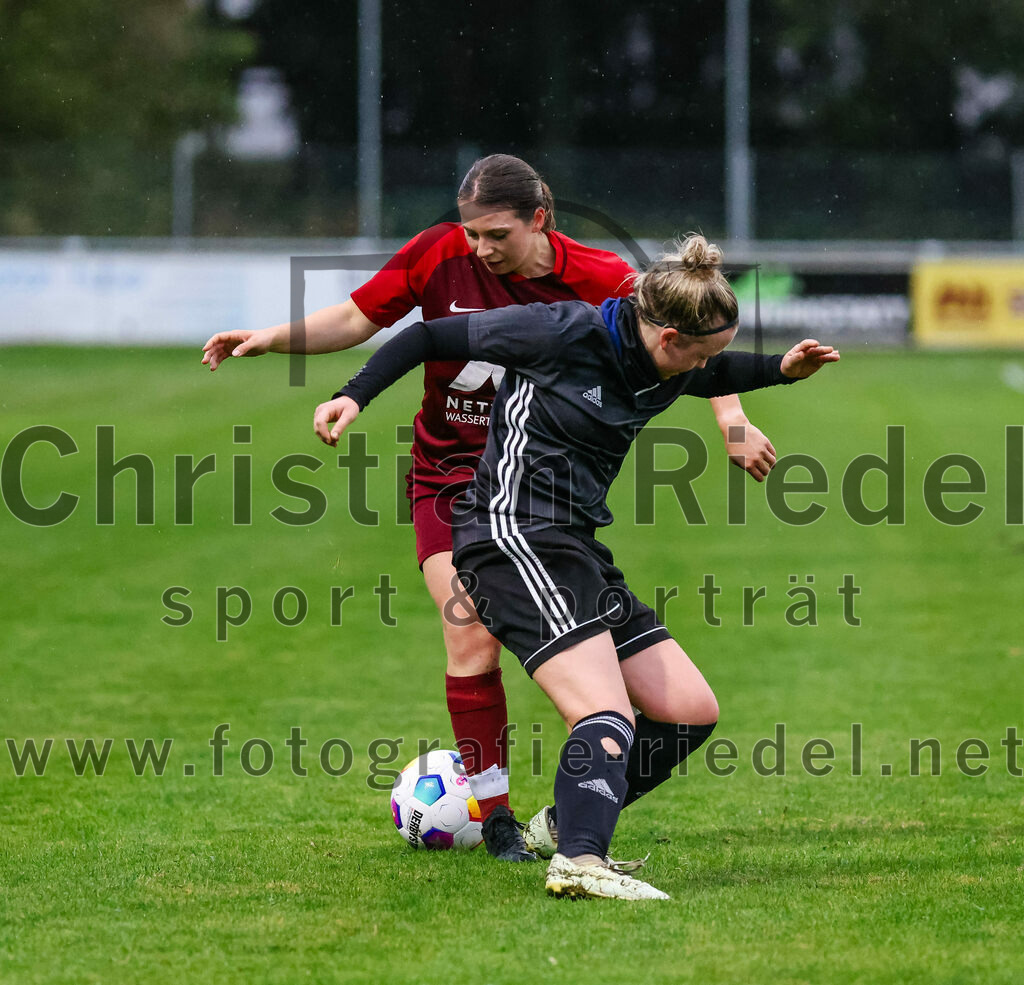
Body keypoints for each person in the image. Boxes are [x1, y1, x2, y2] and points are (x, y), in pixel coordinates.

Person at [202, 155, 778, 863]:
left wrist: (734, 420)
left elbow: (687, 340)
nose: (476, 246)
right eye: (470, 230)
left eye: (494, 233)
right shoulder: (439, 251)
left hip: (539, 485)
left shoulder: (601, 279)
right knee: (468, 629)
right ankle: (497, 815)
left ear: (540, 220)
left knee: (621, 688)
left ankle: (561, 813)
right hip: (451, 476)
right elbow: (360, 316)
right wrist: (275, 339)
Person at [315, 233, 839, 899]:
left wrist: (780, 371)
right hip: (510, 537)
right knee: (604, 714)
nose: (707, 370)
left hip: (573, 544)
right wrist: (352, 397)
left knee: (687, 709)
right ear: (670, 336)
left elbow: (716, 374)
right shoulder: (561, 330)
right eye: (703, 354)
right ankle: (582, 861)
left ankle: (559, 827)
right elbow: (425, 338)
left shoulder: (663, 359)